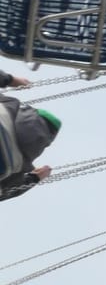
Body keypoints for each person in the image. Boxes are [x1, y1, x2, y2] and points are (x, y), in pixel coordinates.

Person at [0, 71, 59, 203]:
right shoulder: (21, 167)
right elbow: (6, 192)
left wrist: (10, 79)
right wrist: (35, 178)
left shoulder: (8, 104)